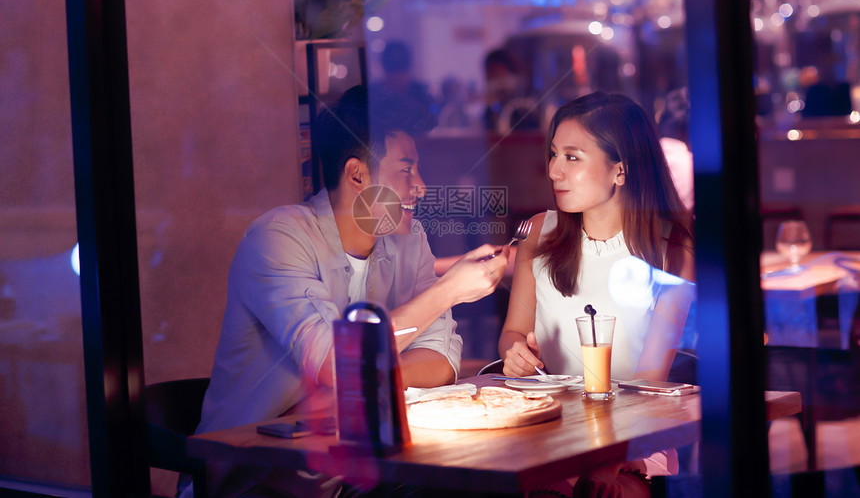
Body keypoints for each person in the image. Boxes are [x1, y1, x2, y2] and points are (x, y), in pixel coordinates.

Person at [190, 85, 509, 497]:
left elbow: (442, 361)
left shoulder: (408, 242)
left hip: (358, 474)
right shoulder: (278, 237)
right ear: (358, 174)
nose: (422, 187)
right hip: (256, 475)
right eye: (406, 170)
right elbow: (338, 363)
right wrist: (448, 290)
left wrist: (347, 395)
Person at [499, 91, 695, 497]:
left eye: (572, 157)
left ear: (619, 171)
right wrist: (515, 353)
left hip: (632, 442)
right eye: (554, 154)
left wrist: (604, 458)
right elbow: (512, 333)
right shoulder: (539, 232)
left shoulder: (672, 249)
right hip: (551, 430)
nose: (553, 170)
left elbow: (648, 383)